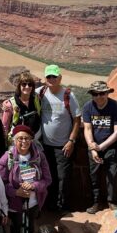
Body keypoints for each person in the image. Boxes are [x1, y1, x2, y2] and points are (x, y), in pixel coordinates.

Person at [0, 125, 52, 233]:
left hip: (34, 202)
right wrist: (16, 192)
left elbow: (47, 179)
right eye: (20, 138)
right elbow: (0, 184)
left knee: (30, 227)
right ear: (14, 140)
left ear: (31, 140)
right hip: (15, 204)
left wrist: (34, 186)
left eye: (27, 138)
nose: (24, 141)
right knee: (16, 230)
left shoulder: (39, 156)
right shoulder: (7, 158)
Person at [38, 64, 81, 212]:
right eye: (48, 76)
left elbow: (77, 119)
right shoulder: (41, 92)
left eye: (54, 76)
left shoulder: (68, 95)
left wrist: (71, 141)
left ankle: (63, 206)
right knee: (49, 176)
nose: (51, 79)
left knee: (63, 177)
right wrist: (8, 103)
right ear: (45, 78)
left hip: (63, 145)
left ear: (60, 78)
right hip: (45, 145)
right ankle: (50, 205)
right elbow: (21, 96)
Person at [82, 80, 117, 214]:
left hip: (111, 146)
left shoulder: (115, 106)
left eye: (102, 93)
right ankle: (95, 202)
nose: (99, 96)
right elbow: (87, 129)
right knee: (93, 175)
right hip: (94, 147)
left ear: (107, 93)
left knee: (112, 174)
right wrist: (92, 148)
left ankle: (112, 201)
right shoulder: (88, 107)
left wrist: (101, 147)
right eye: (95, 94)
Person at [1, 71, 42, 140]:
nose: (27, 87)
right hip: (17, 141)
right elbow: (5, 126)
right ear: (19, 85)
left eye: (30, 84)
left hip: (34, 139)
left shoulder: (36, 98)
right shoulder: (10, 104)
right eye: (24, 84)